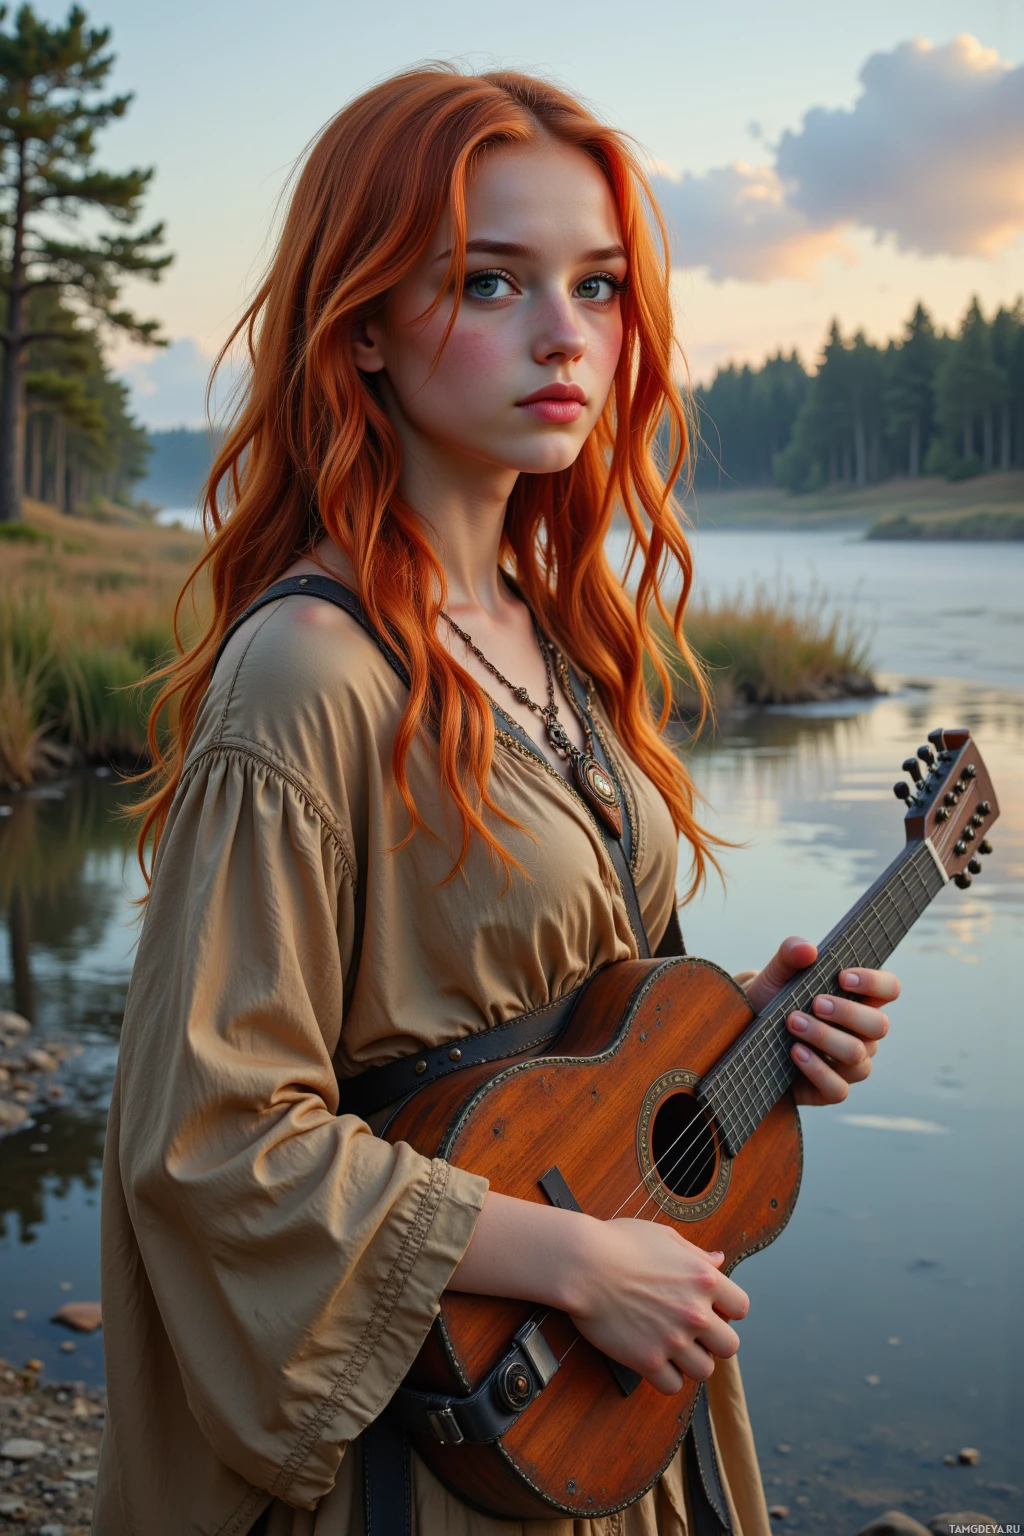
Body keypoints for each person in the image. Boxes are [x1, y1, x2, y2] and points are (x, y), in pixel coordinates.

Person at [93, 66, 900, 1536]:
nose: (565, 335)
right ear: (363, 329)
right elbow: (209, 1141)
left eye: (597, 286)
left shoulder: (556, 635)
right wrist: (575, 1262)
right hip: (436, 1432)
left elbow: (564, 1032)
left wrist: (738, 1038)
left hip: (603, 1400)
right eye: (489, 281)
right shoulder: (308, 671)